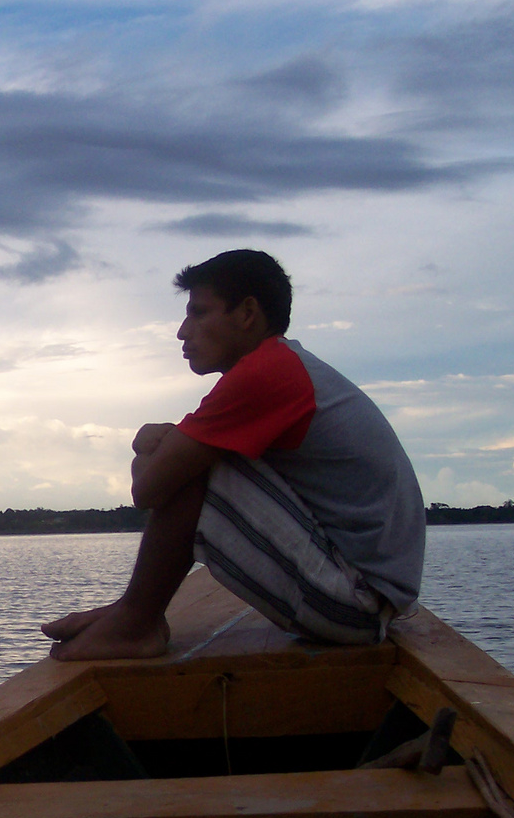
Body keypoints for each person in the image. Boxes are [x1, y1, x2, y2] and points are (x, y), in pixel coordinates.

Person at [44, 249, 424, 660]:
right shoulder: (283, 367)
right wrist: (165, 447)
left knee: (195, 467)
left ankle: (136, 622)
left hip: (355, 606)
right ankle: (132, 613)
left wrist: (151, 451)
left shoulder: (267, 373)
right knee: (196, 456)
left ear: (247, 313)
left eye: (199, 313)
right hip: (364, 599)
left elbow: (149, 489)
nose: (182, 332)